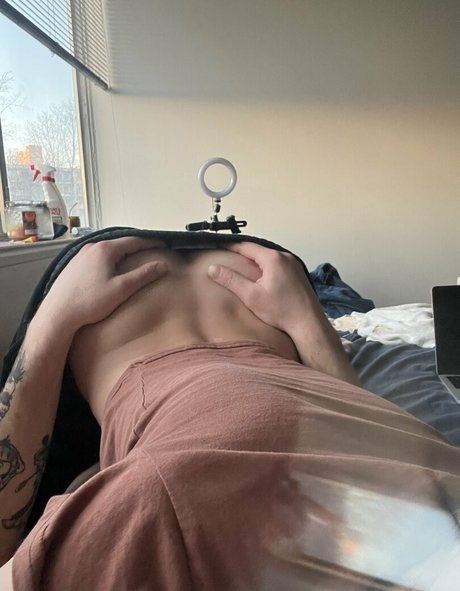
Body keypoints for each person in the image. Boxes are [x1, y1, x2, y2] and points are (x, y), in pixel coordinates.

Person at [1, 236, 460, 590]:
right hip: (393, 447)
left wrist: (51, 321)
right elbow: (347, 404)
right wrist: (307, 320)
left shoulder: (149, 508)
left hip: (191, 472)